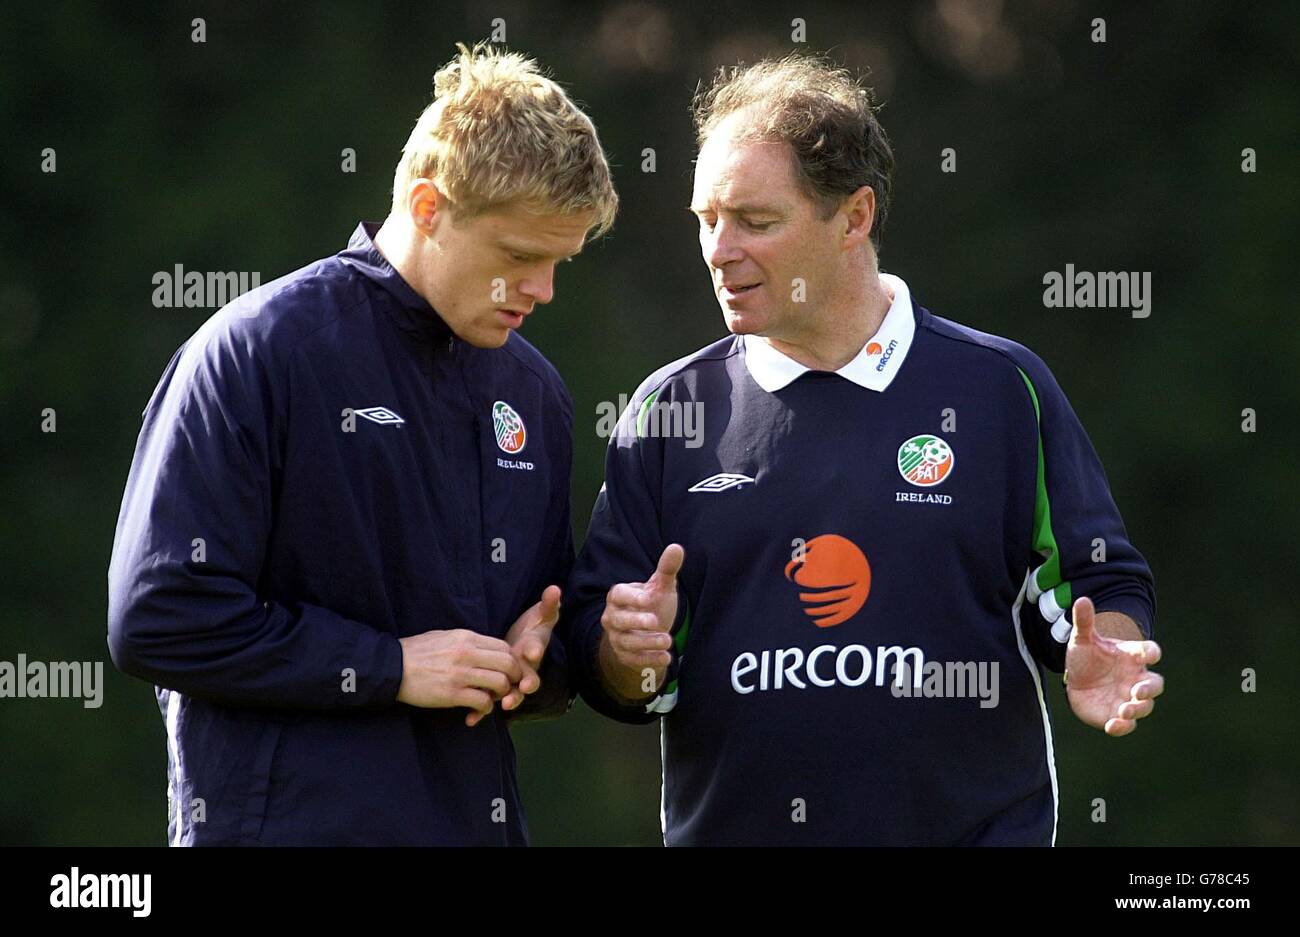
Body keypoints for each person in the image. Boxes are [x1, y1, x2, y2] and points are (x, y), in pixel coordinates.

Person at [564, 53, 1163, 846]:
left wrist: (1105, 647)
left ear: (854, 217)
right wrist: (623, 649)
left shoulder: (998, 389)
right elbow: (616, 668)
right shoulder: (669, 411)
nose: (718, 249)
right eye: (706, 218)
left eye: (756, 220)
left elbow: (1095, 579)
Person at [107, 43, 617, 845]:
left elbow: (524, 642)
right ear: (425, 206)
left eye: (560, 261)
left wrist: (538, 661)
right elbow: (158, 615)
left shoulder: (536, 394)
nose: (542, 290)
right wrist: (394, 667)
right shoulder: (258, 351)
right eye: (519, 257)